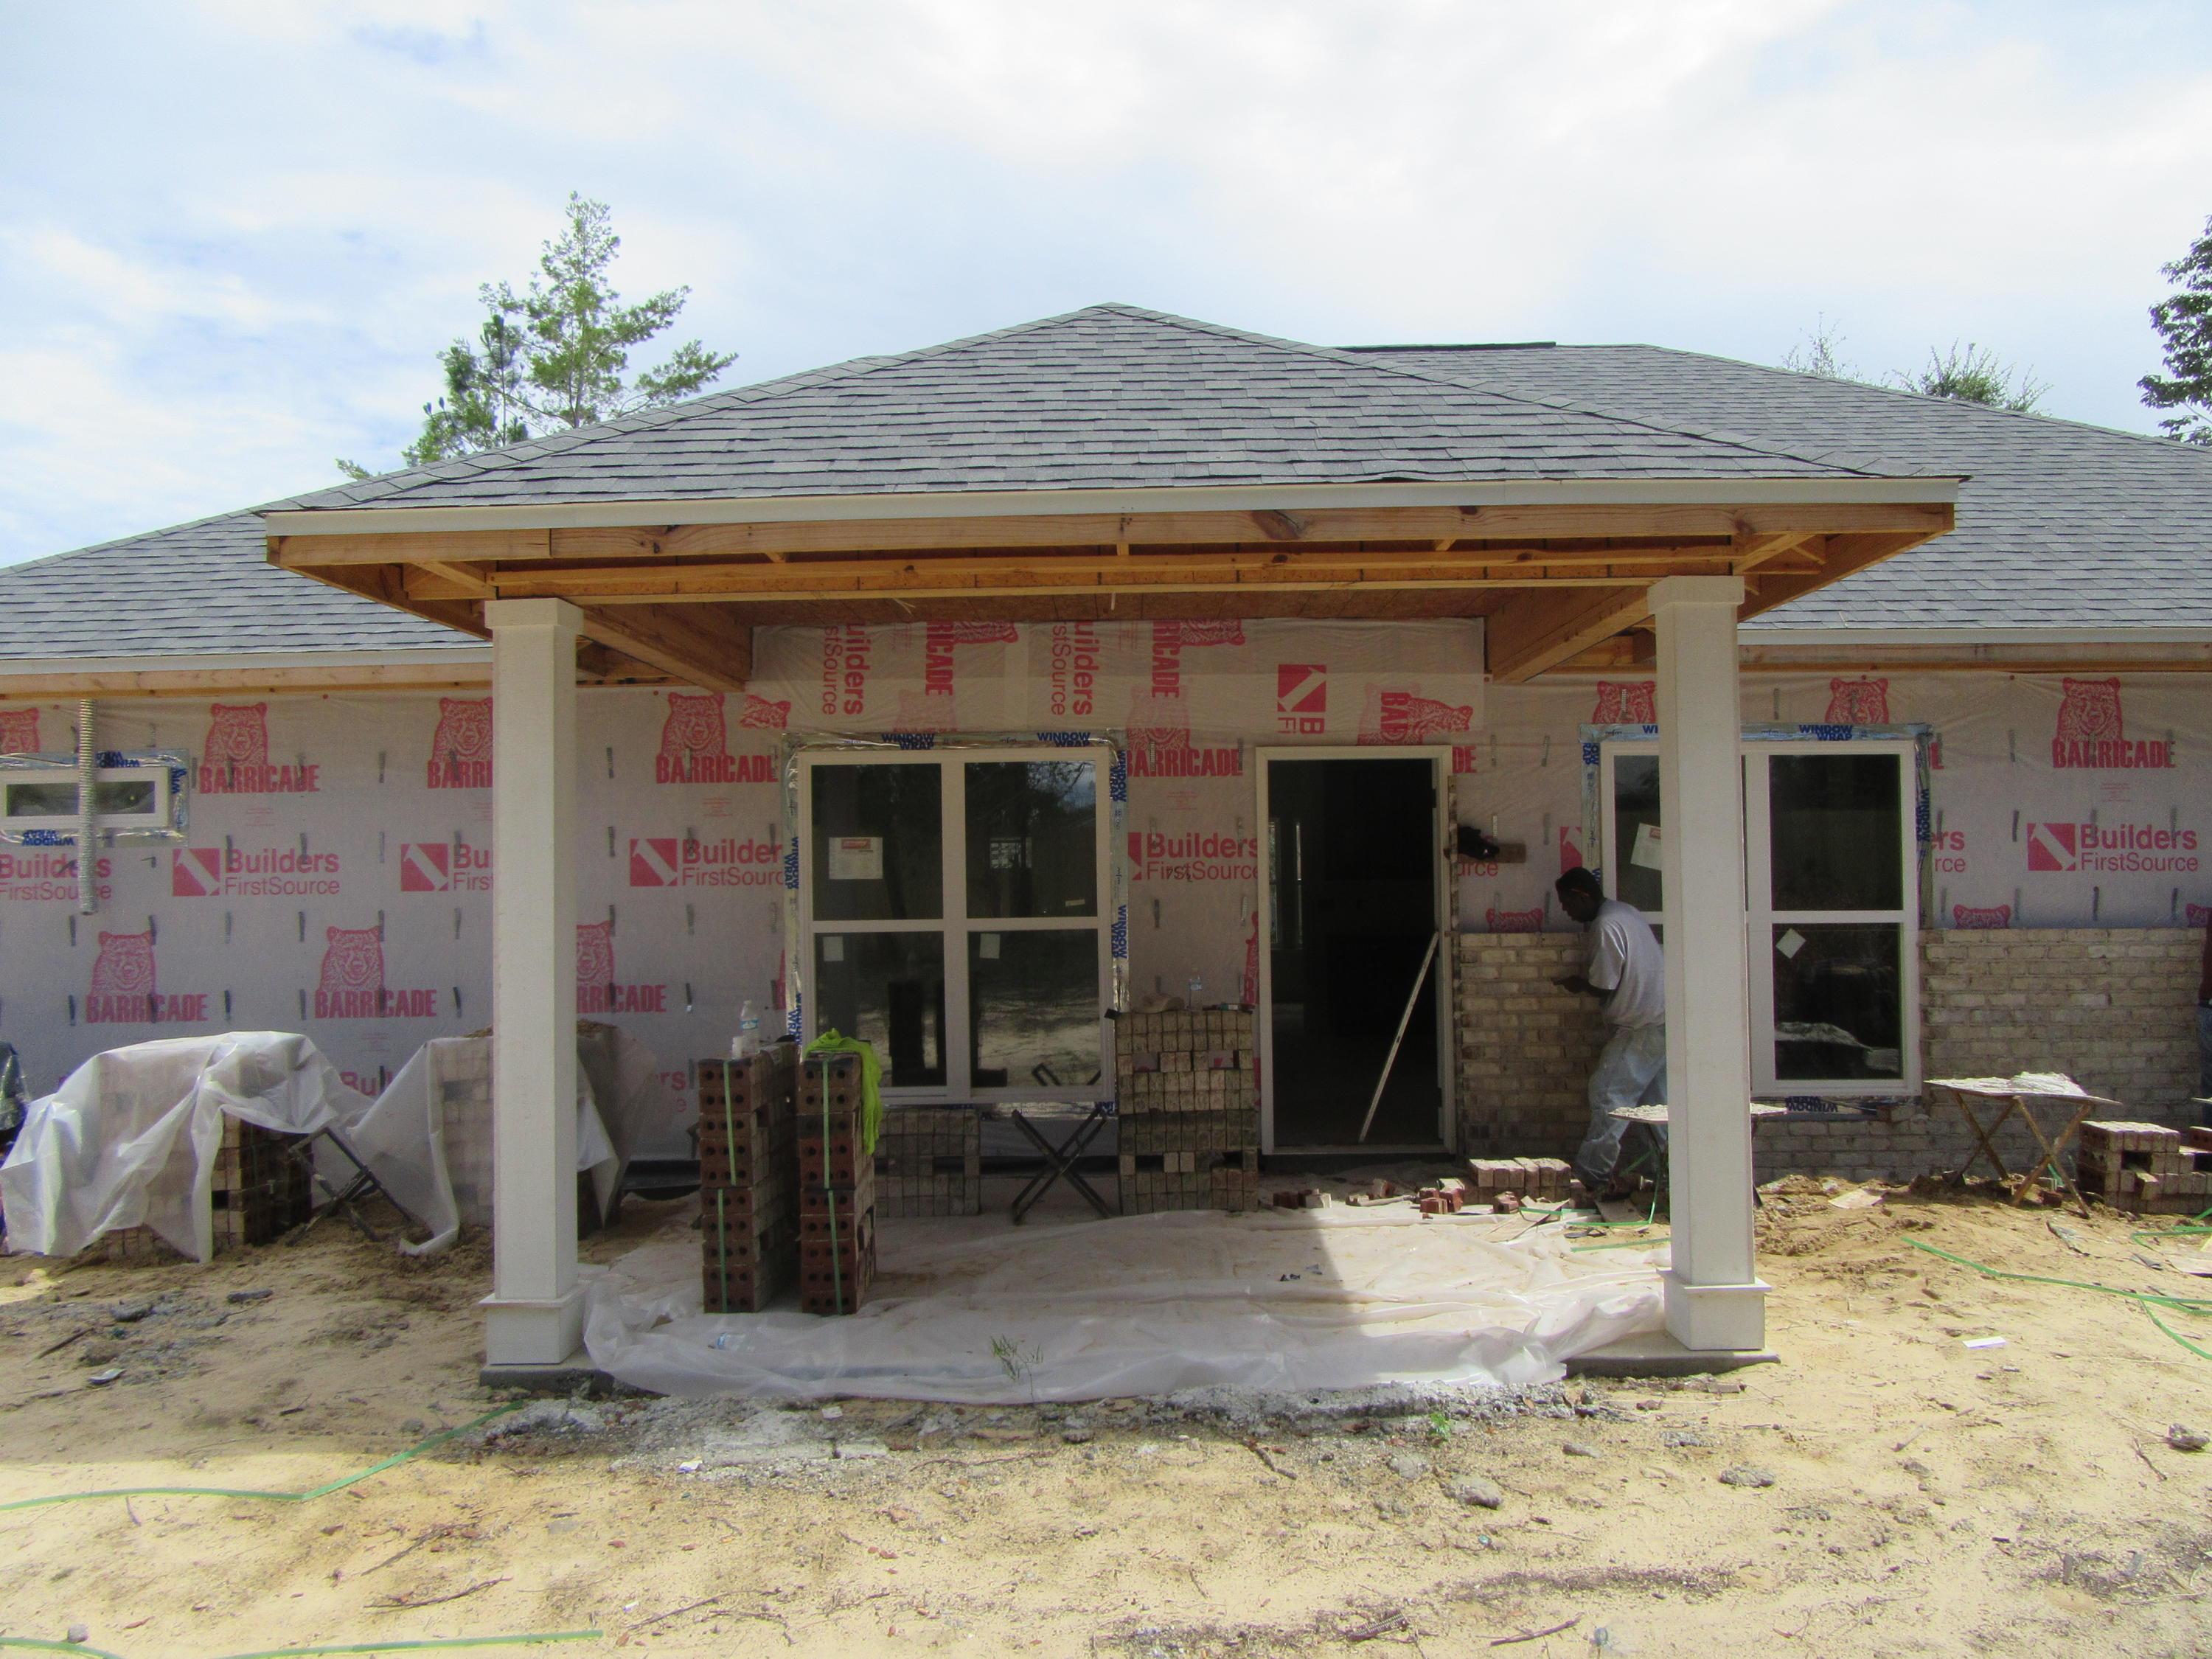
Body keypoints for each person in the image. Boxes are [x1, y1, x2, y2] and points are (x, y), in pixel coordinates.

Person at [1551, 867, 1666, 1198]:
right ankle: (1677, 1174)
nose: (1566, 910)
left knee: (1608, 1096)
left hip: (1641, 1025)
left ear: (1582, 895)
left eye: (1567, 903)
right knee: (1656, 1107)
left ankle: (1591, 1178)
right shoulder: (1625, 911)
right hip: (1661, 1019)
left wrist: (1578, 984)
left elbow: (1604, 985)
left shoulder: (1606, 924)